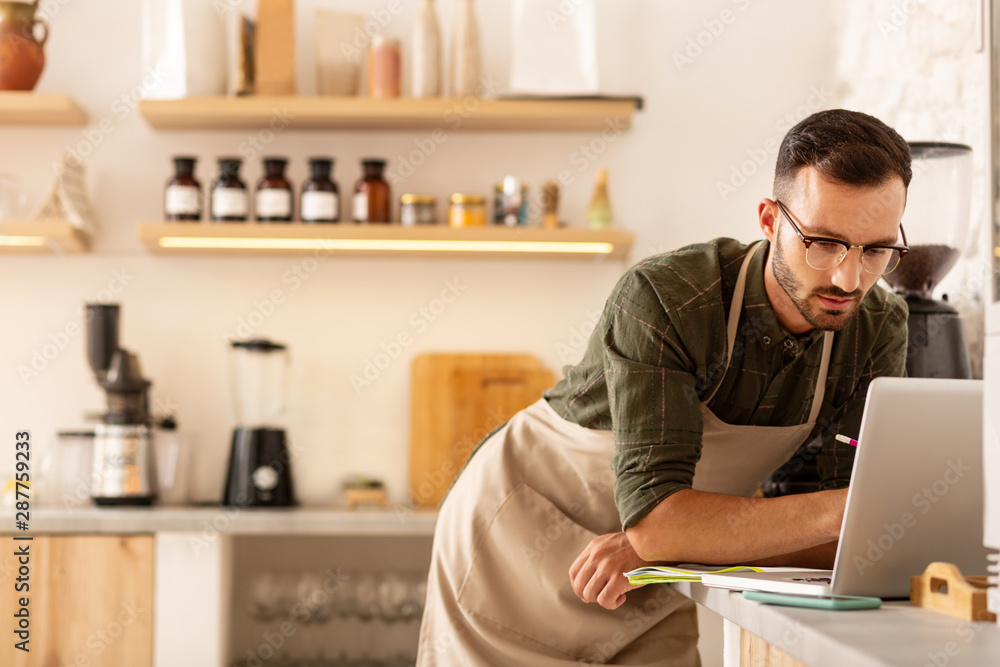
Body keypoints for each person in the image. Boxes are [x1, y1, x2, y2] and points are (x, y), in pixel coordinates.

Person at [416, 109, 912, 666]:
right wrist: (665, 532)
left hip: (657, 573)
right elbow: (663, 517)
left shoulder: (877, 327)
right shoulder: (668, 296)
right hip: (513, 549)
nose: (849, 279)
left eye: (876, 250)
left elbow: (857, 544)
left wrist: (665, 541)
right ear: (770, 221)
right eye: (823, 243)